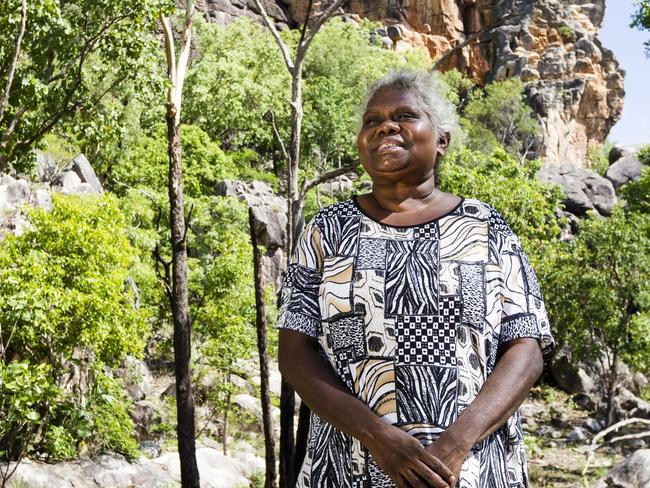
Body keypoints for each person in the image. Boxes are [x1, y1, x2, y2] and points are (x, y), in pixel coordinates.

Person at [276, 69, 554, 488]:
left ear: (441, 141)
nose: (385, 126)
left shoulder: (484, 227)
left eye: (405, 115)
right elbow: (295, 353)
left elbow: (526, 349)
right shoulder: (327, 229)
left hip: (471, 468)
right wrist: (378, 437)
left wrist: (454, 447)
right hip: (350, 465)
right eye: (372, 120)